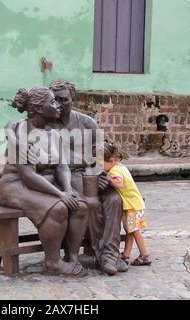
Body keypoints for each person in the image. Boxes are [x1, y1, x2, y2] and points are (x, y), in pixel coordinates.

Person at [0, 86, 89, 277]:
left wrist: (68, 189)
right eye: (52, 102)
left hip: (42, 182)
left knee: (80, 205)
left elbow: (62, 166)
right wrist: (60, 194)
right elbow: (28, 176)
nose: (58, 106)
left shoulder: (53, 133)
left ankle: (72, 258)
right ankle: (53, 263)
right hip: (14, 184)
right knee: (58, 207)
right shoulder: (19, 133)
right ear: (37, 108)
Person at [49, 79, 128, 275]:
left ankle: (110, 254)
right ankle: (103, 256)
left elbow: (101, 152)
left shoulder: (86, 122)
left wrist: (101, 172)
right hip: (63, 178)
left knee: (114, 199)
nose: (59, 104)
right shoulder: (47, 125)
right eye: (55, 100)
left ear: (73, 98)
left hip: (89, 173)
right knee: (90, 202)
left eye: (64, 99)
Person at [102, 142, 152, 266]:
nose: (100, 167)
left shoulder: (114, 171)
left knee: (135, 231)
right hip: (134, 204)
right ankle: (126, 255)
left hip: (132, 206)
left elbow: (119, 184)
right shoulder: (120, 166)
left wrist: (107, 178)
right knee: (130, 230)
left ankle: (144, 255)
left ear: (111, 160)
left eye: (101, 164)